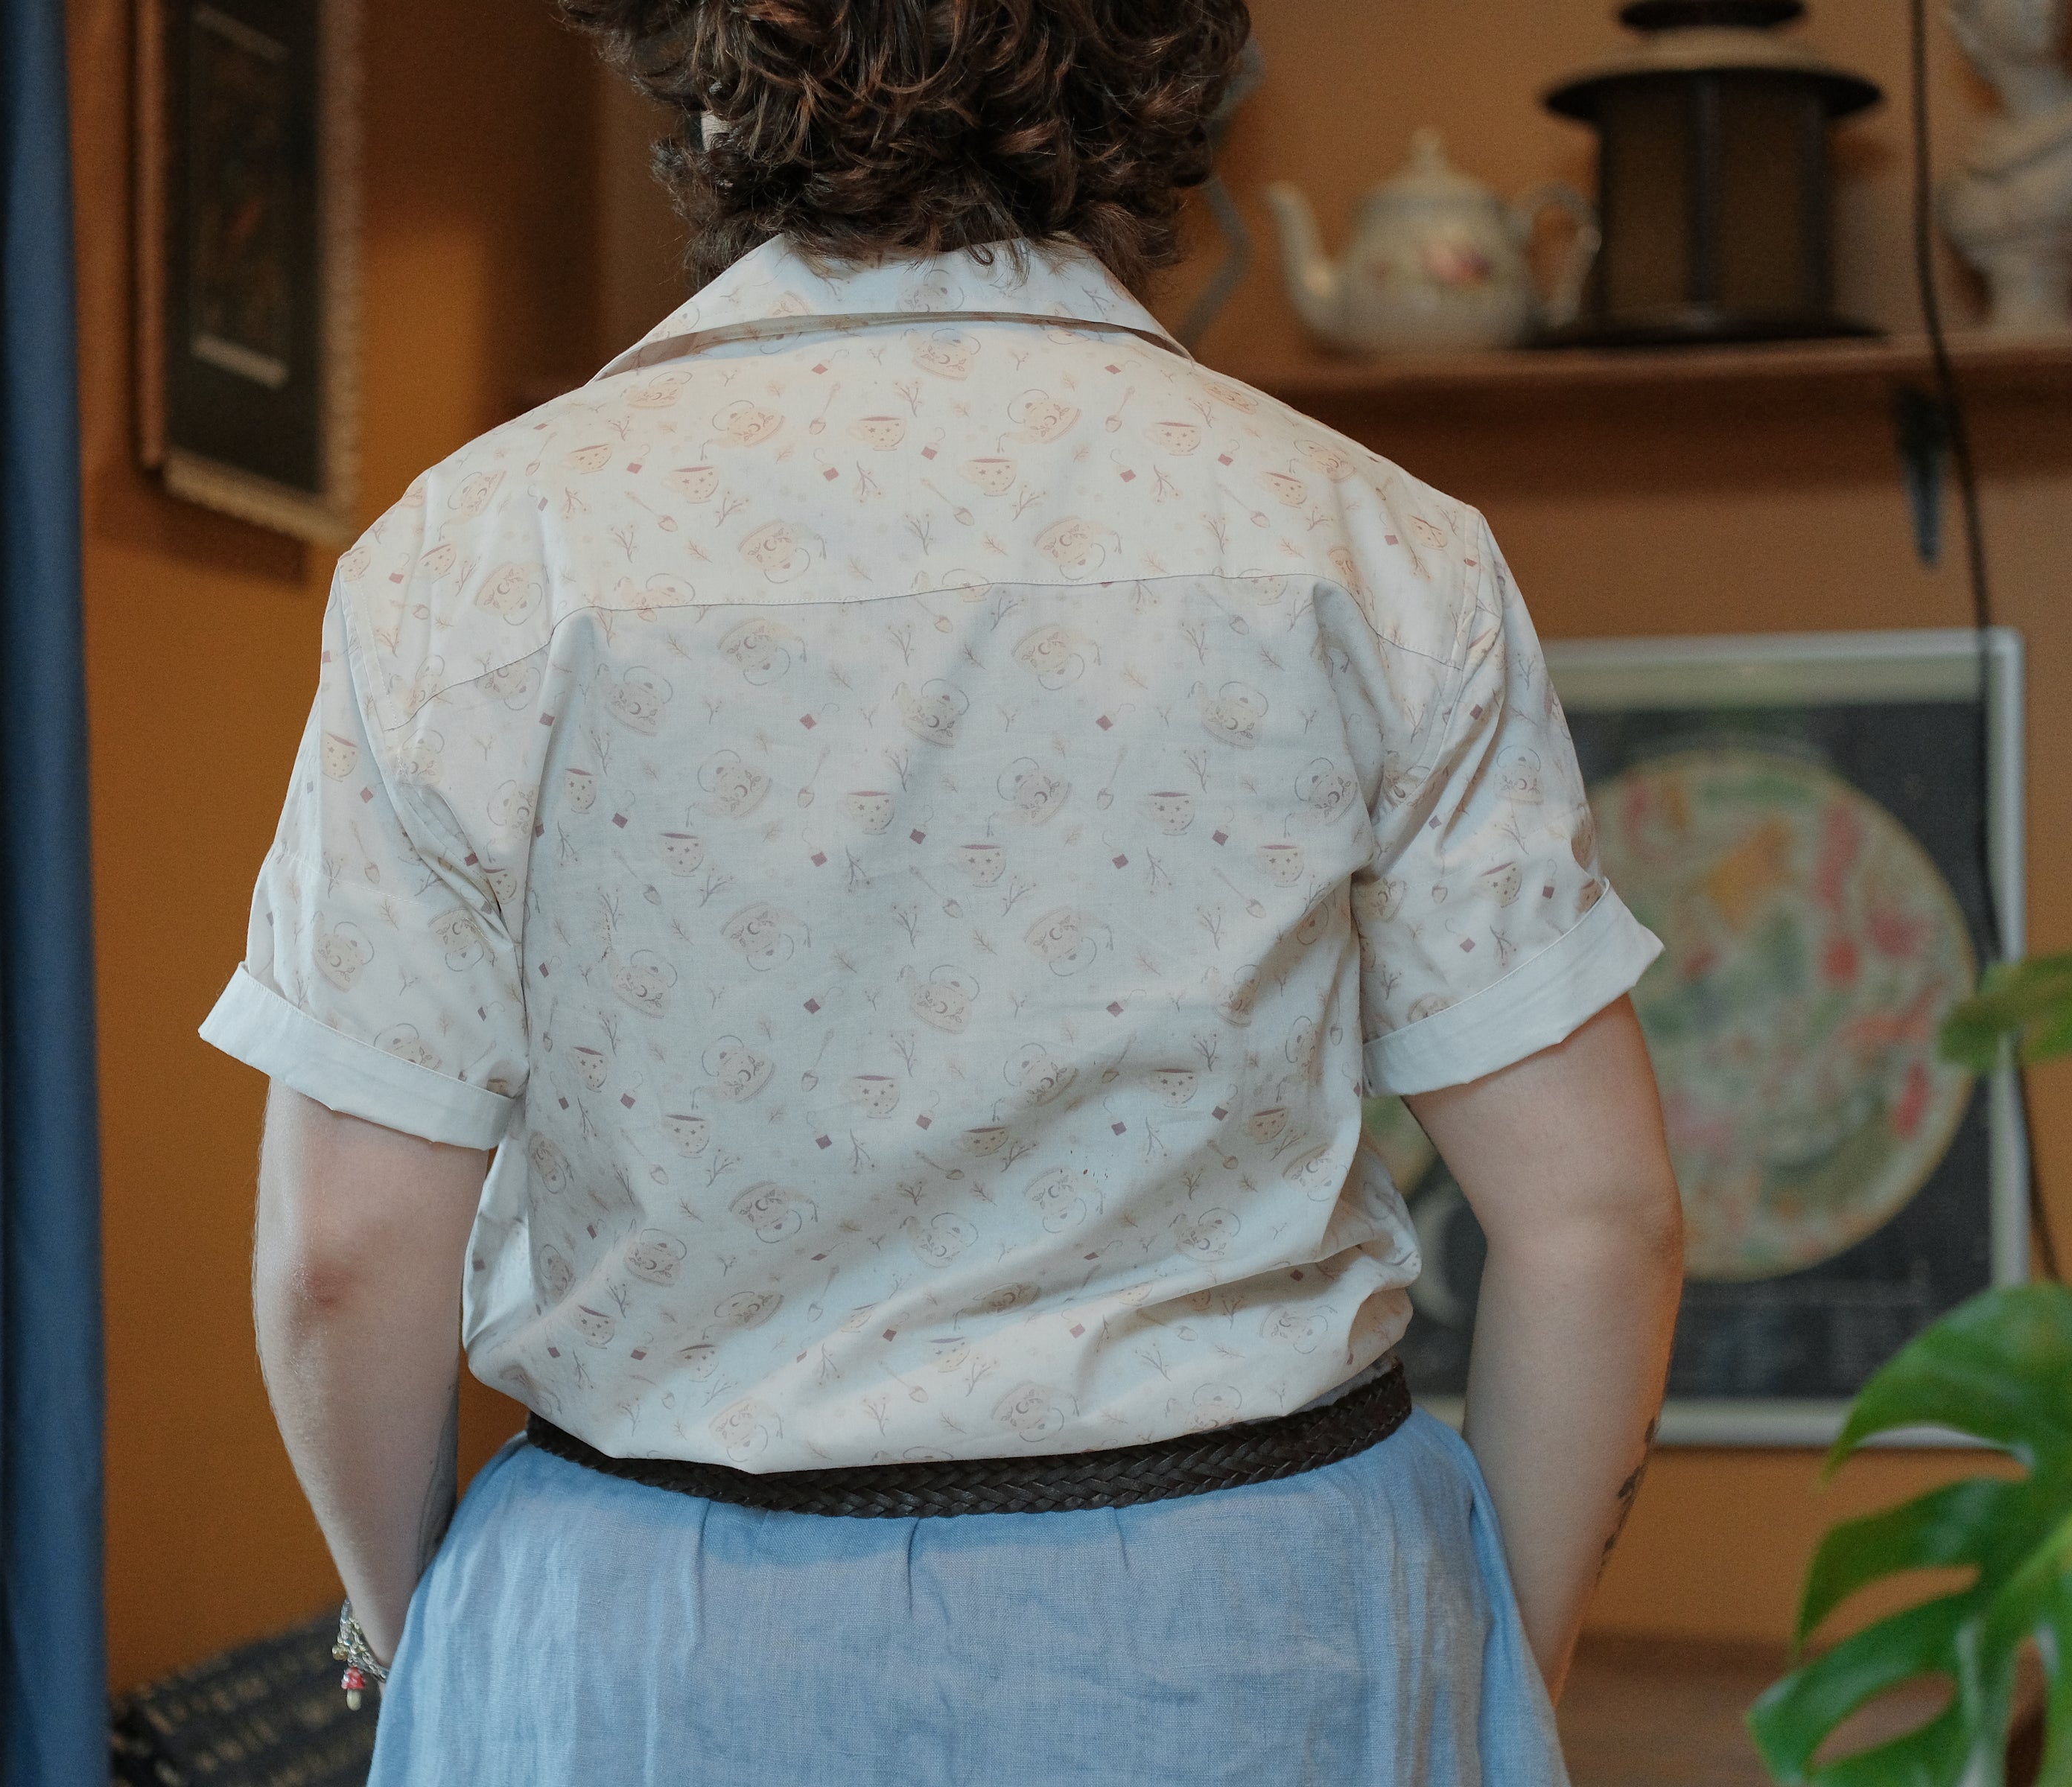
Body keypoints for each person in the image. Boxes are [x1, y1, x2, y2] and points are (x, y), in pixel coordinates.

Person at [197, 2, 1685, 1780]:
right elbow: (1598, 1220)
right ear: (1159, 57)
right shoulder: (1369, 546)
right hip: (1265, 1627)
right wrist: (1469, 1667)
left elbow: (342, 1259)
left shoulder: (466, 562)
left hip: (638, 1653)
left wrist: (414, 1620)